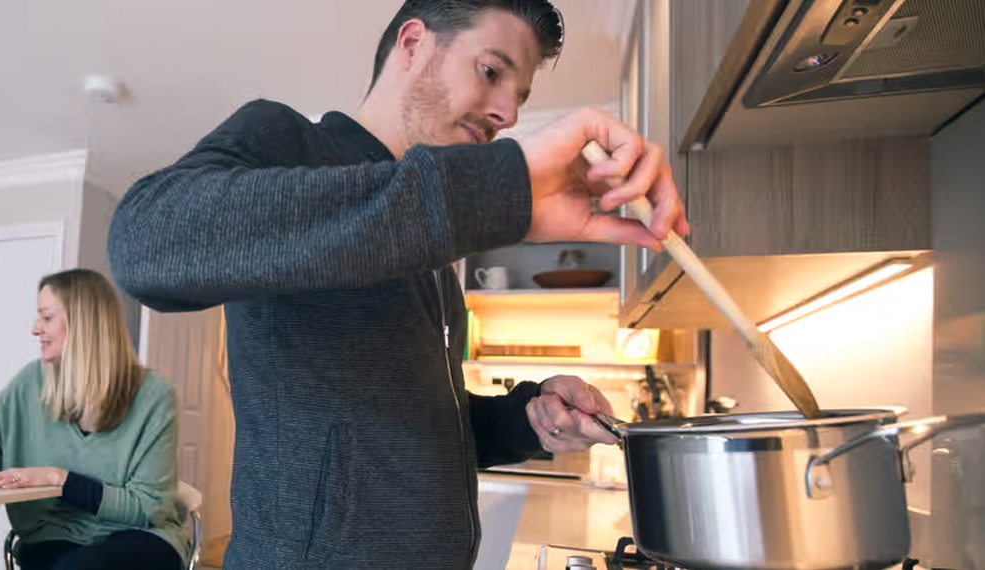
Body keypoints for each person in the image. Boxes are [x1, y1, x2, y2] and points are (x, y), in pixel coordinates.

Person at [108, 1, 688, 568]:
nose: (508, 114)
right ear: (412, 43)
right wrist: (490, 189)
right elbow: (145, 243)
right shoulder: (289, 143)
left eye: (520, 97)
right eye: (491, 71)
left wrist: (527, 418)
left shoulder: (434, 253)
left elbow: (422, 428)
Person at [0, 269, 185, 570]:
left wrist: (58, 479)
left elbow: (149, 508)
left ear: (83, 324)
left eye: (46, 318)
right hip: (54, 537)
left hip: (139, 536)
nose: (35, 329)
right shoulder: (30, 383)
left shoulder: (155, 396)